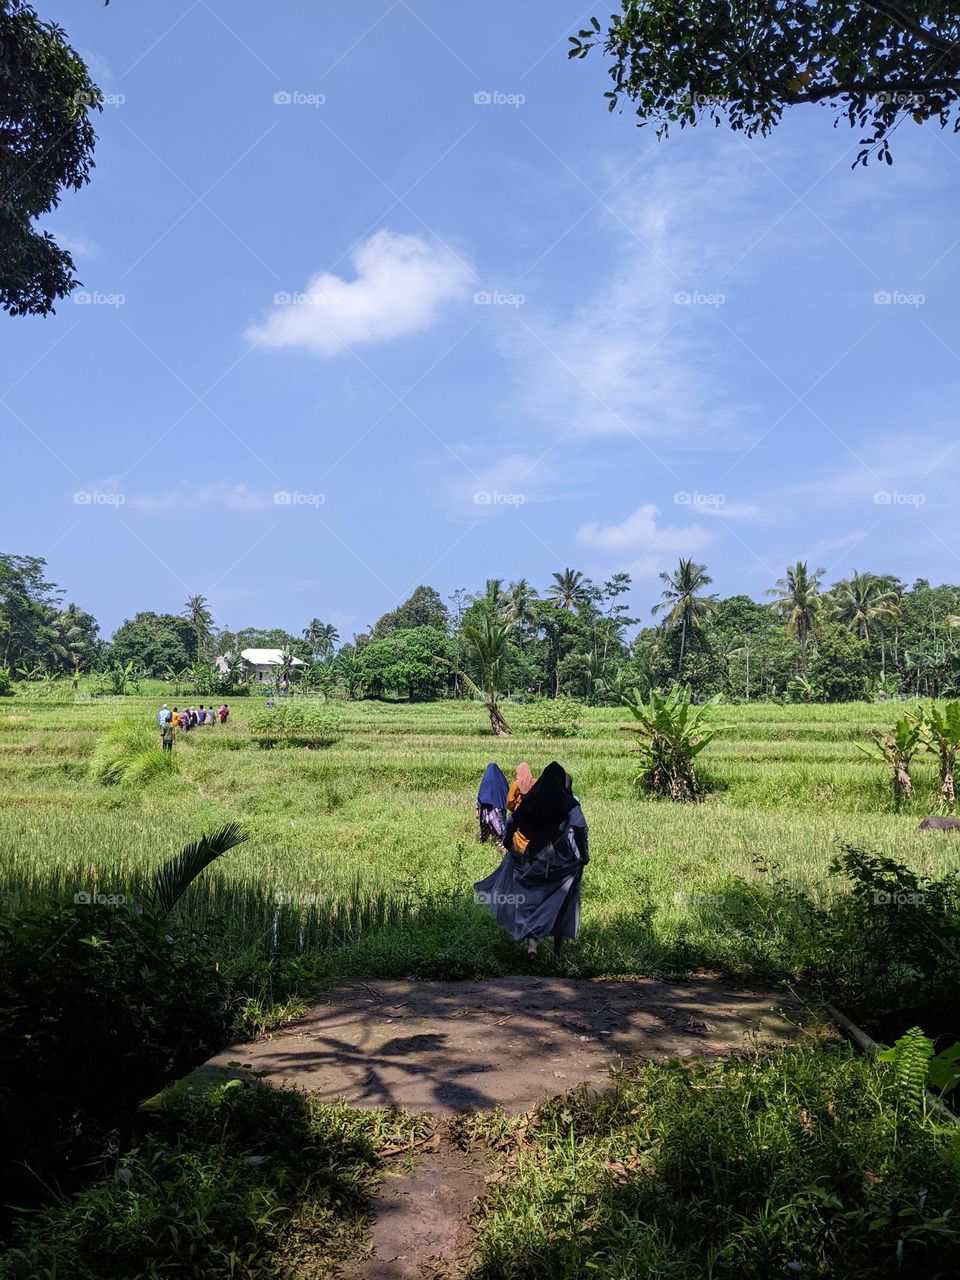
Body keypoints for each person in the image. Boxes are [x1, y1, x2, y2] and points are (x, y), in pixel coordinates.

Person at [474, 761, 588, 959]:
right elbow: (579, 828)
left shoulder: (533, 800)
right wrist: (584, 855)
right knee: (564, 901)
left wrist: (509, 843)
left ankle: (532, 946)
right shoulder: (569, 804)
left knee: (529, 901)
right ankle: (558, 953)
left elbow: (512, 821)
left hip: (531, 858)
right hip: (560, 861)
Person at [476, 762, 509, 850]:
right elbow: (507, 792)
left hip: (485, 811)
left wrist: (478, 809)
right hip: (497, 810)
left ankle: (482, 845)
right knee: (500, 831)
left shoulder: (486, 780)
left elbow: (480, 796)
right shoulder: (501, 780)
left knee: (484, 830)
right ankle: (503, 848)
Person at [506, 763, 537, 854]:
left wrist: (515, 808)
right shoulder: (535, 782)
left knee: (519, 834)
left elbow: (510, 801)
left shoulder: (516, 784)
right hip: (534, 814)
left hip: (520, 815)